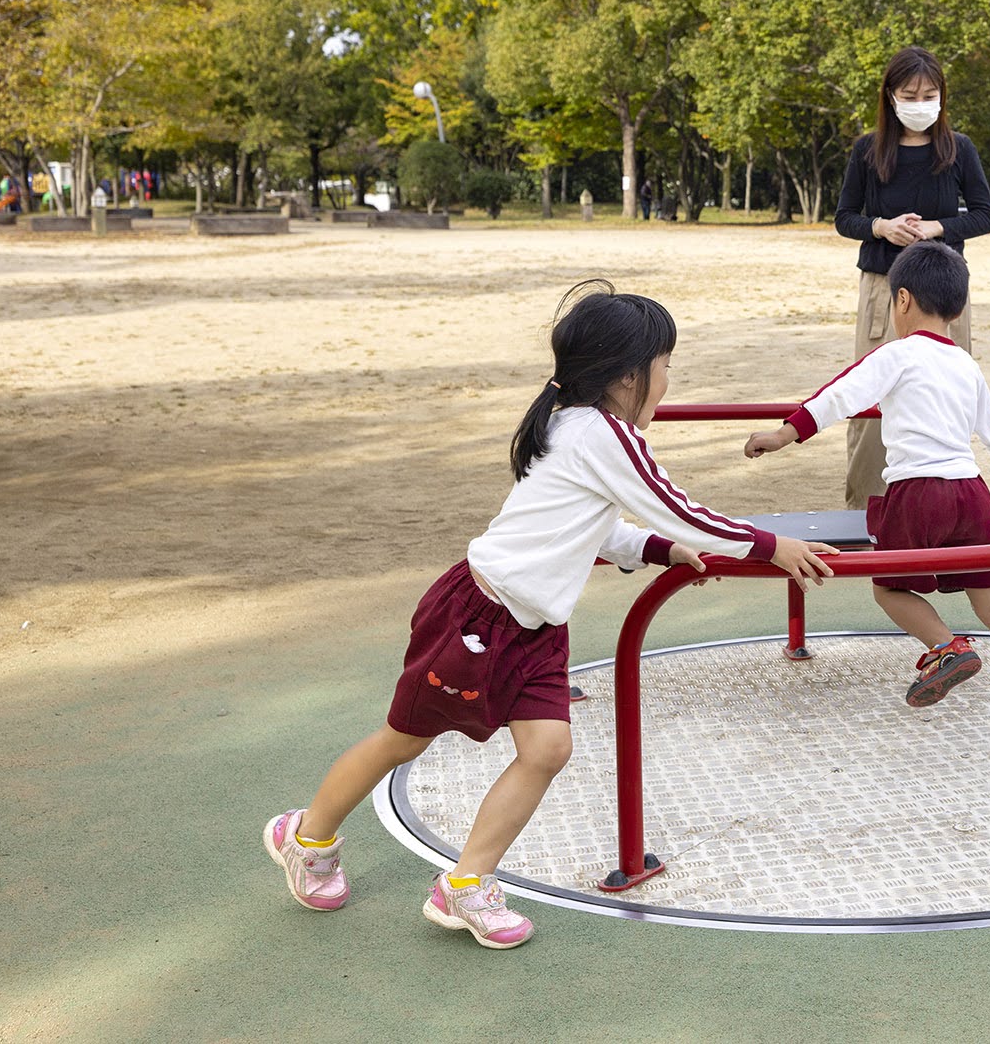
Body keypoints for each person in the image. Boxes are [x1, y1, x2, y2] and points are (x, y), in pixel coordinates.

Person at [263, 282, 835, 948]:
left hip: (535, 629)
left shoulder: (579, 425)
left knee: (548, 748)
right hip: (476, 620)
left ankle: (466, 885)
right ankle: (306, 837)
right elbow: (678, 507)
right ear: (628, 376)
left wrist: (657, 550)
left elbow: (590, 527)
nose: (668, 379)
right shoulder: (599, 434)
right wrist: (771, 546)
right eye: (665, 364)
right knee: (405, 738)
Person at [745, 241, 990, 736]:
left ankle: (946, 647)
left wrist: (784, 434)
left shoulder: (896, 354)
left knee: (889, 588)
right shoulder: (966, 365)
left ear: (902, 300)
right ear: (957, 308)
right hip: (971, 493)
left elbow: (839, 394)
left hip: (917, 493)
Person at [833, 46, 990, 509]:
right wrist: (881, 227)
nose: (921, 103)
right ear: (890, 96)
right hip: (885, 286)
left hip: (944, 286)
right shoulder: (868, 150)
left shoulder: (958, 148)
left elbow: (986, 215)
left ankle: (950, 502)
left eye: (930, 94)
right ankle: (866, 506)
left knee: (947, 391)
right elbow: (845, 217)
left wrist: (936, 227)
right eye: (910, 94)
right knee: (871, 393)